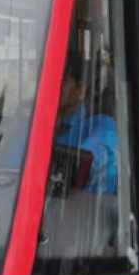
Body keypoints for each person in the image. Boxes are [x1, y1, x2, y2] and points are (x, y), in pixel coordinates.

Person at [54, 50, 118, 196]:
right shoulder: (39, 124)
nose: (53, 86)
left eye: (63, 80)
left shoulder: (100, 124)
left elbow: (83, 167)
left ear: (79, 86)